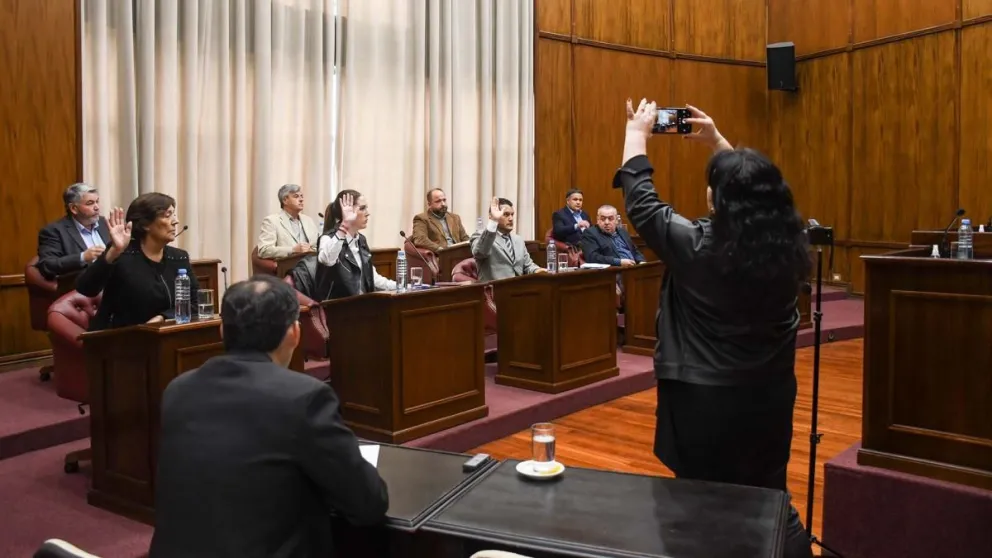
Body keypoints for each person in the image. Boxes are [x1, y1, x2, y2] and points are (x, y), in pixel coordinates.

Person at [615, 99, 813, 558]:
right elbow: (757, 189)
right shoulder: (789, 247)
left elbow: (643, 205)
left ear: (714, 199)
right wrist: (720, 144)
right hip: (769, 394)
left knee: (703, 504)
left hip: (706, 402)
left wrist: (636, 132)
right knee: (766, 492)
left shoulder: (700, 247)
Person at [149, 275, 388, 558]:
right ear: (295, 334)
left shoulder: (178, 390)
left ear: (222, 331)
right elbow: (368, 503)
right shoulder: (304, 397)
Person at [75, 193, 198, 330]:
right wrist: (113, 252)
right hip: (118, 339)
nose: (176, 221)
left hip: (163, 335)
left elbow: (195, 302)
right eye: (167, 215)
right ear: (145, 225)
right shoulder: (121, 253)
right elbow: (86, 288)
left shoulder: (178, 257)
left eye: (173, 215)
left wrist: (163, 317)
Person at [314, 190, 396, 300]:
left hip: (361, 305)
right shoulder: (328, 238)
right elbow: (327, 260)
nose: (367, 213)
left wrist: (401, 286)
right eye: (362, 208)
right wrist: (344, 225)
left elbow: (373, 278)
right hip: (338, 308)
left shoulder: (361, 239)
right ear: (346, 212)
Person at [35, 183, 111, 280]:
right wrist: (83, 257)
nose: (97, 207)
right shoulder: (54, 231)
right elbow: (47, 265)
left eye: (97, 202)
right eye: (90, 203)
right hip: (83, 287)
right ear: (74, 208)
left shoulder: (104, 223)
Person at [470, 197, 545, 281]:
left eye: (512, 214)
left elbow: (528, 266)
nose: (511, 219)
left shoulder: (518, 240)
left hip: (518, 290)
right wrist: (493, 221)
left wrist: (539, 271)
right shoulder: (480, 236)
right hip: (495, 290)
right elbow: (480, 253)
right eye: (506, 214)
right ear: (491, 216)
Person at [257, 183, 320, 259]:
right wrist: (293, 250)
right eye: (296, 196)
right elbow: (263, 250)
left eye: (302, 196)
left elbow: (317, 246)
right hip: (288, 267)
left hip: (312, 264)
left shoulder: (308, 220)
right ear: (285, 200)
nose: (301, 199)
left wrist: (310, 250)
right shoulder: (271, 221)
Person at [581, 204, 645, 267]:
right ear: (598, 220)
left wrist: (641, 261)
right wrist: (619, 262)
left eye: (610, 218)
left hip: (634, 268)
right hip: (613, 271)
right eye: (603, 219)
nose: (606, 222)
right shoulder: (590, 233)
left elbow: (634, 250)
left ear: (617, 220)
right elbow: (592, 257)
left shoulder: (623, 232)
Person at [410, 188, 470, 252]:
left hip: (460, 253)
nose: (443, 204)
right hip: (442, 256)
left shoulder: (455, 217)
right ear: (429, 204)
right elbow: (420, 240)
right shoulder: (421, 218)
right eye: (438, 201)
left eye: (444, 200)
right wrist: (441, 250)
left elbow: (464, 238)